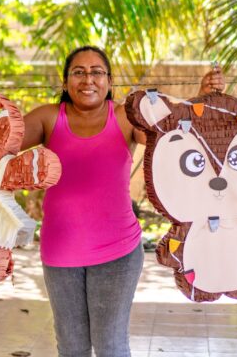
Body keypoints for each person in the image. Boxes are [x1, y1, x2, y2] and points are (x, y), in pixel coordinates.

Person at [21, 45, 225, 357]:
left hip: (117, 252)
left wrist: (202, 98)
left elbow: (174, 133)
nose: (88, 79)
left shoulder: (125, 117)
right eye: (78, 72)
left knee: (110, 346)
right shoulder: (48, 117)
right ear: (65, 82)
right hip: (60, 251)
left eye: (97, 72)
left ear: (109, 81)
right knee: (71, 348)